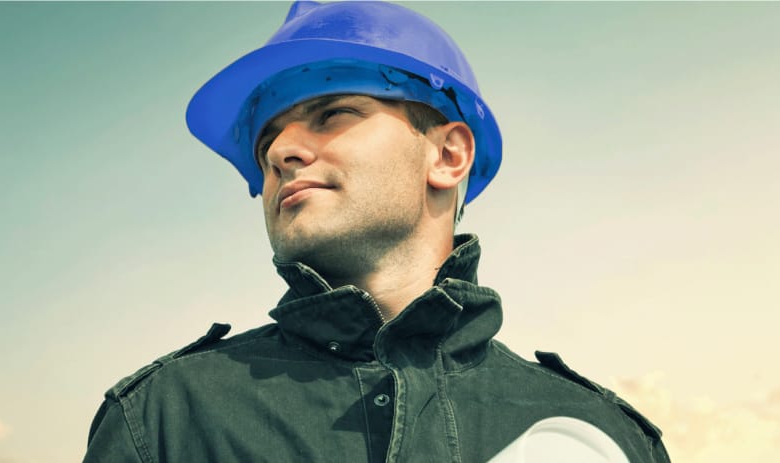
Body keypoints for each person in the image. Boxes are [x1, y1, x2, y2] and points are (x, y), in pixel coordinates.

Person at [82, 2, 670, 462]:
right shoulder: (165, 419)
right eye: (266, 143)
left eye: (334, 113)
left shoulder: (598, 437)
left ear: (447, 155)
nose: (282, 151)